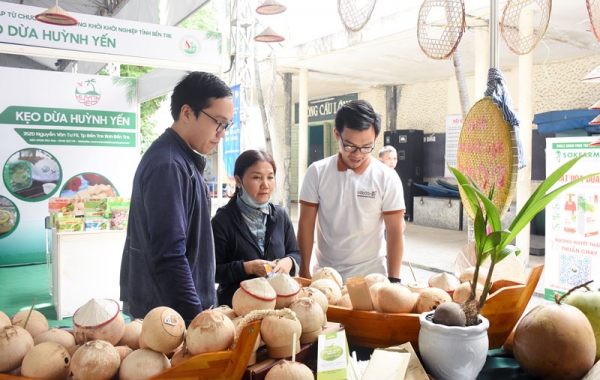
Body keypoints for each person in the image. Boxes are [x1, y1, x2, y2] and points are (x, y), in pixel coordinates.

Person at [120, 71, 234, 325]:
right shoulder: (169, 165)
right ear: (186, 112)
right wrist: (196, 318)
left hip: (175, 308)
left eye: (227, 125)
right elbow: (169, 255)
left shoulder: (180, 159)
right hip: (169, 317)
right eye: (218, 122)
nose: (222, 133)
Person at [297, 100, 405, 284]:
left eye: (366, 147)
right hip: (326, 277)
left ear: (376, 138)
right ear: (336, 134)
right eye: (349, 146)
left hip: (371, 278)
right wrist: (304, 271)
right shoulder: (317, 172)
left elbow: (395, 231)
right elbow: (306, 222)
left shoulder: (387, 178)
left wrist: (394, 280)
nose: (358, 154)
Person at [212, 150, 301, 307]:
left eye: (270, 177)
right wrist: (248, 268)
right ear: (238, 181)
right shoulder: (222, 221)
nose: (265, 185)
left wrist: (289, 262)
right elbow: (212, 272)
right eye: (256, 177)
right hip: (238, 310)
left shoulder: (280, 215)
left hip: (278, 308)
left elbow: (295, 253)